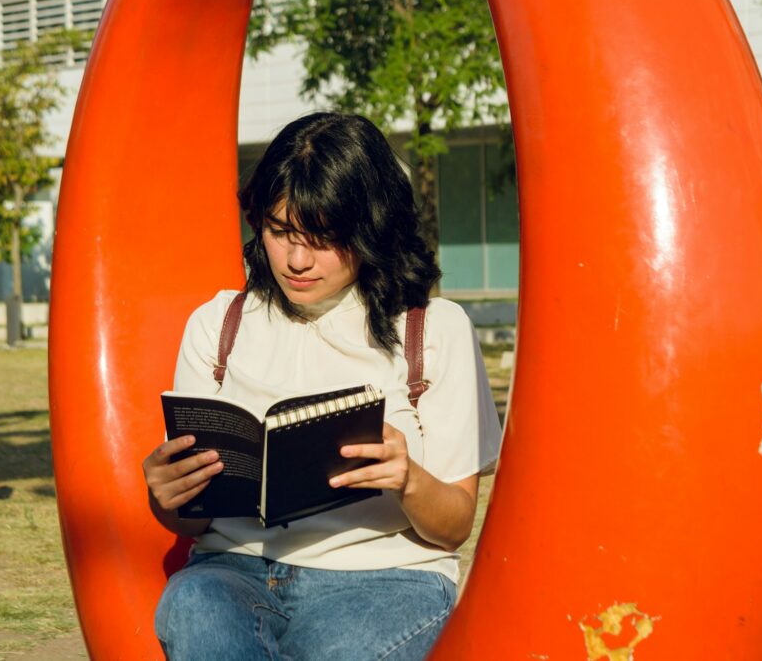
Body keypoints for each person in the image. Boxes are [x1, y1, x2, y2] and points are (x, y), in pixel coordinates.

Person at [143, 112, 502, 660]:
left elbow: (453, 527)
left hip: (384, 580)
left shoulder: (433, 330)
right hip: (231, 572)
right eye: (280, 231)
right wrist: (168, 497)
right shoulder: (218, 325)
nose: (296, 260)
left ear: (370, 228)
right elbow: (190, 519)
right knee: (196, 610)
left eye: (322, 238)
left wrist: (408, 481)